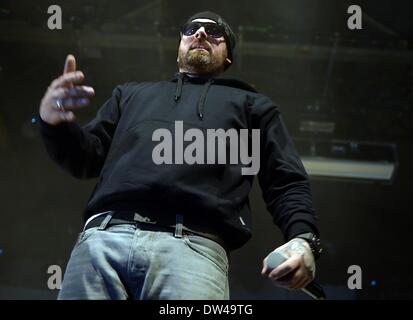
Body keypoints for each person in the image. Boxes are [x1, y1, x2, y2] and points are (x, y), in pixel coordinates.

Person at [39, 11, 322, 300]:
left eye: (214, 31)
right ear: (179, 49)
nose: (200, 33)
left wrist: (304, 240)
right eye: (191, 29)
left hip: (194, 248)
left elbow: (285, 181)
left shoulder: (251, 106)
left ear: (228, 57)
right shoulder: (130, 95)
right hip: (103, 239)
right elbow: (84, 158)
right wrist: (53, 122)